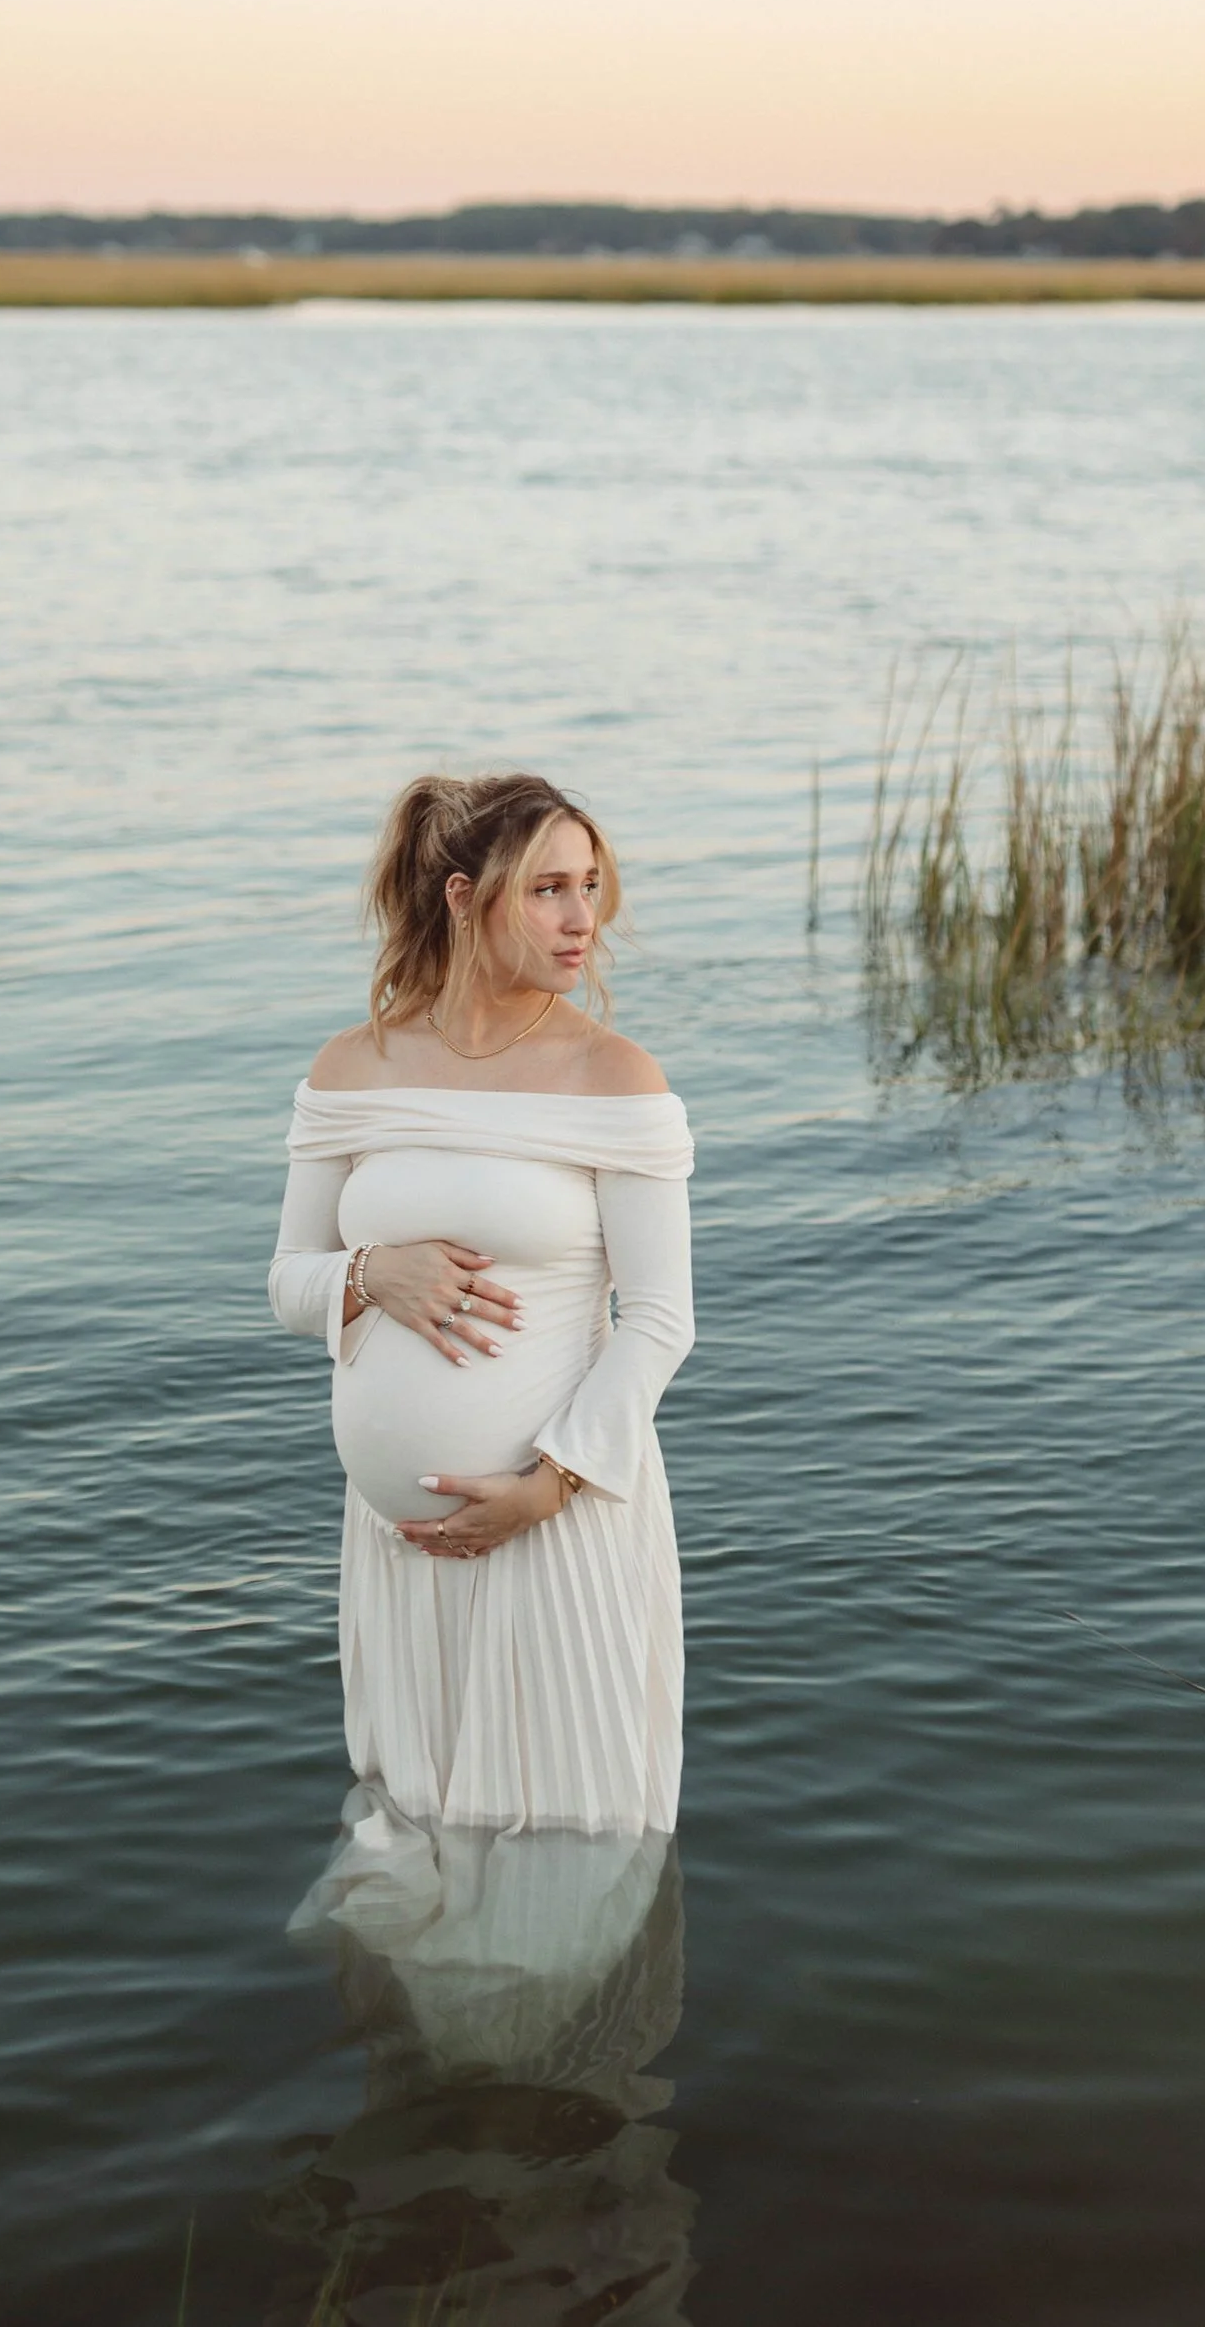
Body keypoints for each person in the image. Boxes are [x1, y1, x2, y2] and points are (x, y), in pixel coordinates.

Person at [269, 770, 696, 2028]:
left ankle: (554, 2120)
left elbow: (660, 1323)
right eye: (548, 891)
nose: (582, 922)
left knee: (564, 1829)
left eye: (591, 890)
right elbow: (286, 1283)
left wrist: (544, 1487)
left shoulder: (614, 1077)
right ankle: (445, 2124)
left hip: (556, 1522)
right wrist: (367, 1271)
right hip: (400, 1553)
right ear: (465, 898)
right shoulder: (359, 1065)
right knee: (427, 1811)